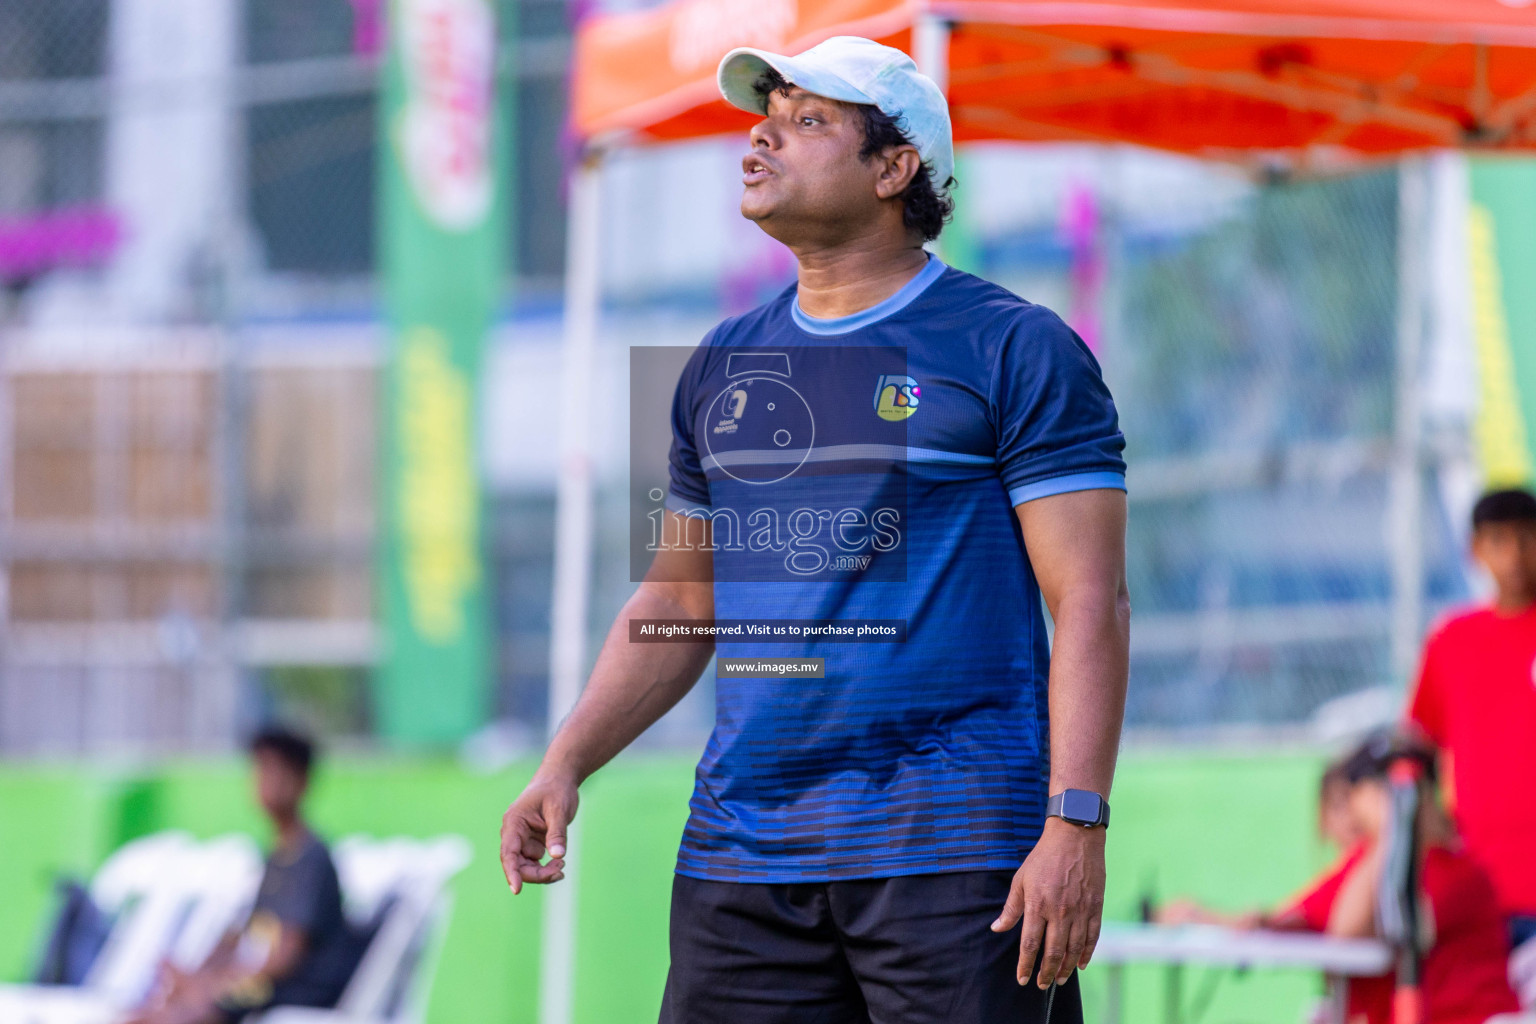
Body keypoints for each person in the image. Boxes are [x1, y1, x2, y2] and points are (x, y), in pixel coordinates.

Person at [500, 36, 1130, 1024]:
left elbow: (1089, 597)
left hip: (956, 853)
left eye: (806, 120)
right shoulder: (716, 362)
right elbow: (676, 599)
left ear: (894, 167)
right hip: (741, 855)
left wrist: (1076, 823)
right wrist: (565, 760)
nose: (761, 135)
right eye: (766, 114)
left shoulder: (1016, 346)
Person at [123, 726, 355, 1024]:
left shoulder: (312, 858)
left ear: (303, 782)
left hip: (294, 990)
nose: (266, 782)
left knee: (191, 1011)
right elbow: (243, 934)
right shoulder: (276, 856)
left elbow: (284, 959)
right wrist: (197, 975)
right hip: (262, 985)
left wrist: (211, 984)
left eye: (277, 771)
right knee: (148, 1012)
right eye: (260, 770)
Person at [1407, 487, 1536, 950]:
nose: (1517, 555)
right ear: (1476, 551)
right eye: (1500, 541)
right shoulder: (1452, 642)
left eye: (1528, 538)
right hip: (1479, 889)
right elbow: (1417, 745)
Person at [1316, 732, 1519, 1024]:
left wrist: (1392, 830)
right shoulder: (1365, 864)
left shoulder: (1459, 873)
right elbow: (1302, 916)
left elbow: (1347, 936)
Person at [1154, 758, 1363, 931]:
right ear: (1322, 818)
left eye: (1355, 804)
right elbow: (1285, 920)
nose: (1351, 818)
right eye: (1339, 806)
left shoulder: (1362, 865)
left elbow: (1280, 923)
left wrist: (1200, 917)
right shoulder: (1349, 871)